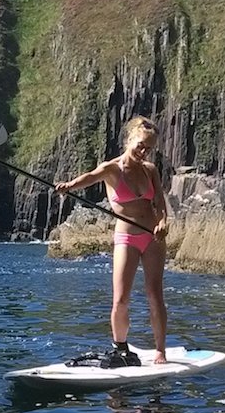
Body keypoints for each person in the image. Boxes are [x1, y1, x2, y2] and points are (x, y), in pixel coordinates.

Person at [54, 116, 169, 366]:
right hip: (126, 237)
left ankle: (161, 350)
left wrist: (162, 222)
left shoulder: (150, 170)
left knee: (155, 294)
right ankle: (120, 348)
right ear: (129, 140)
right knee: (120, 298)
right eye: (140, 145)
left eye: (149, 148)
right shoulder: (112, 169)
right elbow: (89, 177)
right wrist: (69, 186)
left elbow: (159, 203)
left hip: (153, 239)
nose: (144, 151)